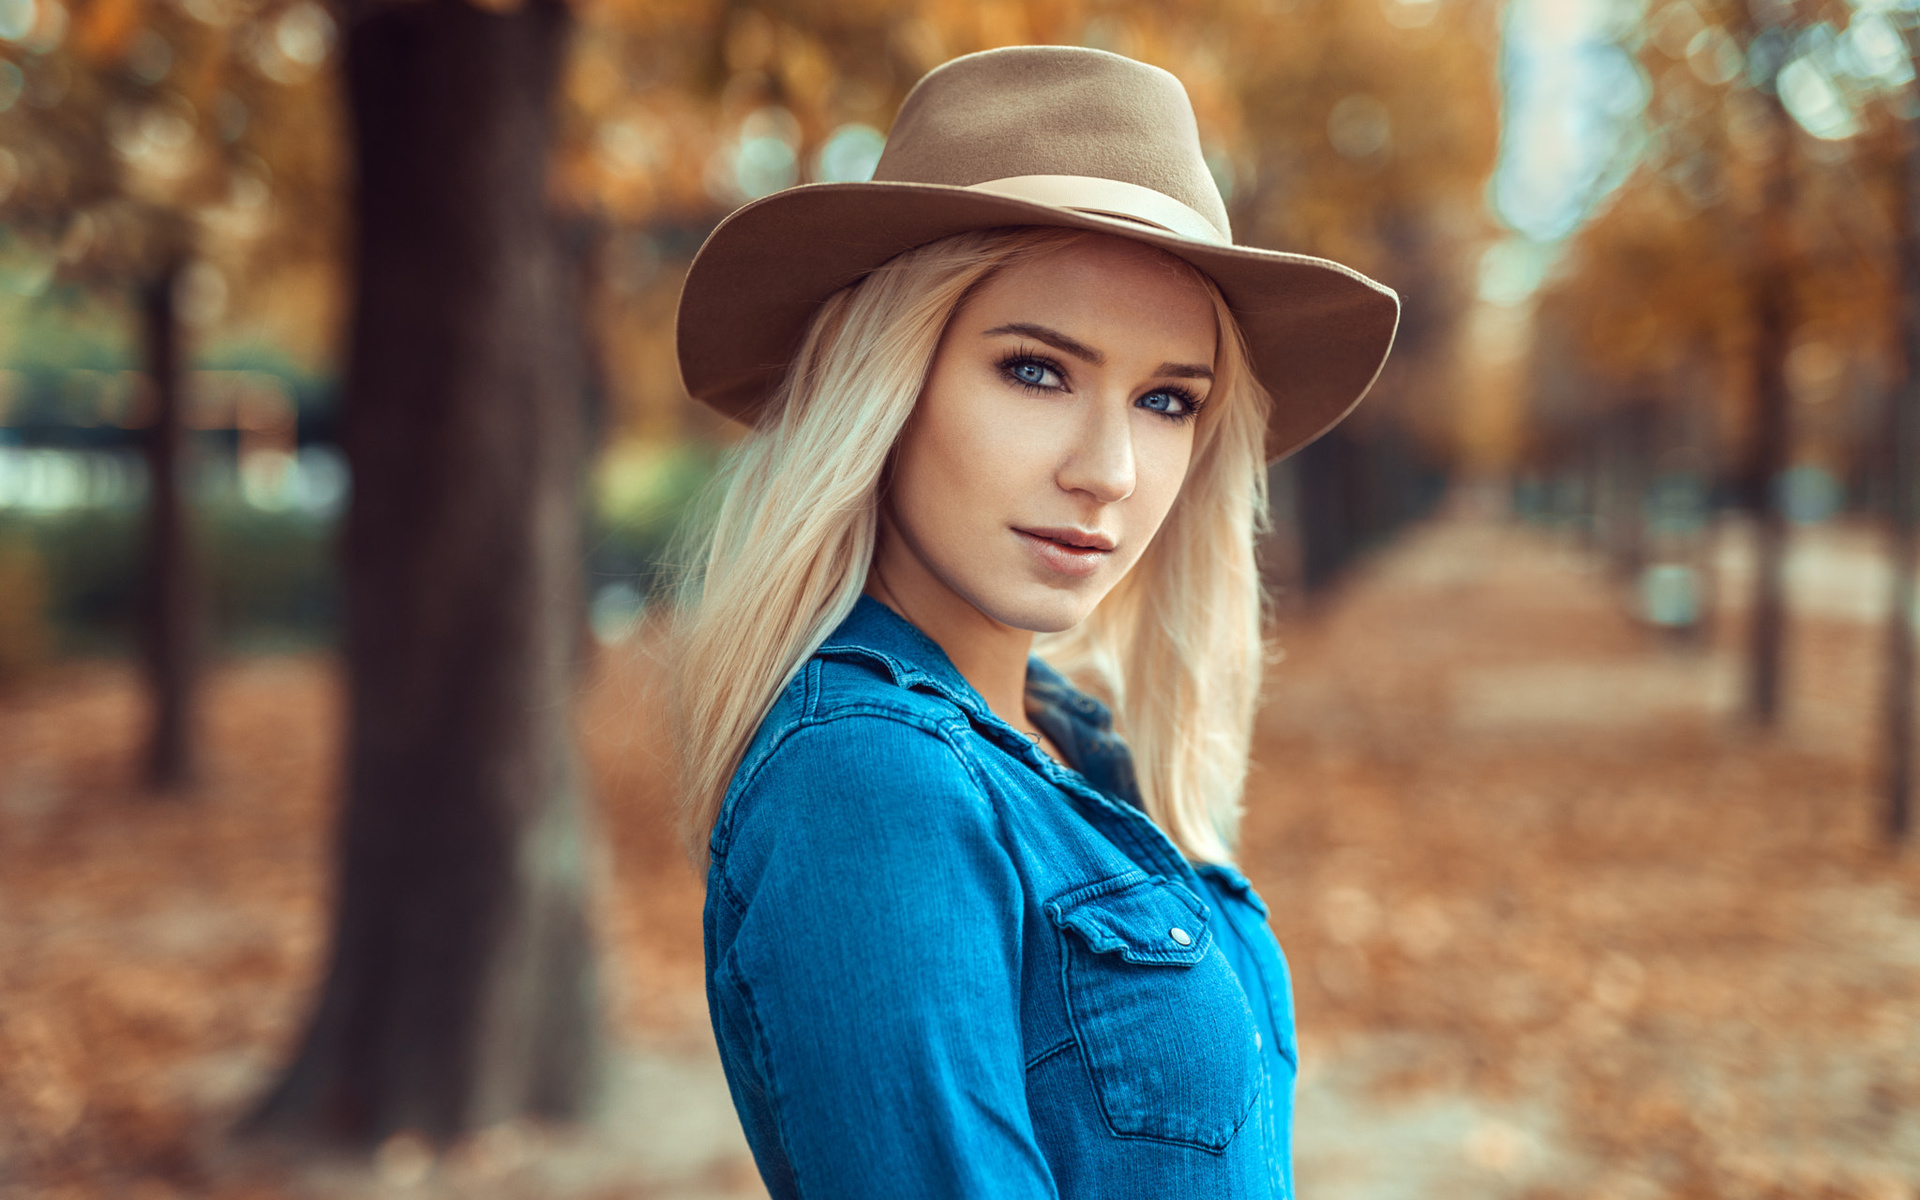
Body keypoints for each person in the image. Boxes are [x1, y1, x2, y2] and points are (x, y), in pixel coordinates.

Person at [666, 44, 1398, 1199]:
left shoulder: (1074, 749)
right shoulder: (870, 782)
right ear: (887, 383)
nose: (1109, 470)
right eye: (1037, 372)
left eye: (1166, 400)